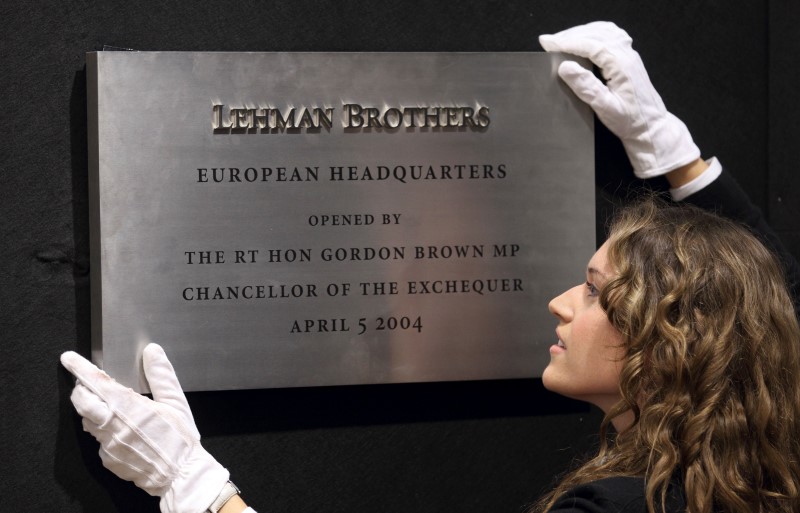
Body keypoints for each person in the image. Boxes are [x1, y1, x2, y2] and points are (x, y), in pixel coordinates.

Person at [61, 22, 800, 513]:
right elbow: (768, 314)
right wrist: (683, 165)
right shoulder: (750, 472)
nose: (559, 302)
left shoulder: (616, 506)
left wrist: (198, 490)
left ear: (666, 343)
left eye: (596, 293)